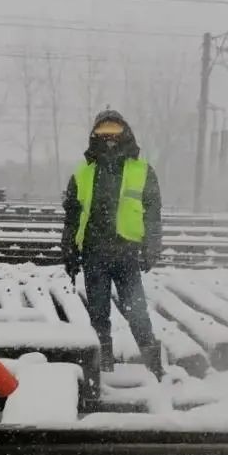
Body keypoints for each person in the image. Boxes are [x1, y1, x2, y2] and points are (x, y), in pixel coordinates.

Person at [62, 109, 164, 378]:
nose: (109, 138)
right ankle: (103, 368)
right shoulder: (83, 173)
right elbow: (72, 215)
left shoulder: (142, 171)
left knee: (137, 313)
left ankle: (154, 367)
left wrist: (151, 246)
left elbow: (153, 212)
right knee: (98, 314)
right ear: (95, 135)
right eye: (103, 133)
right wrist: (69, 248)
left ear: (125, 134)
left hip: (126, 254)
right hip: (94, 254)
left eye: (114, 132)